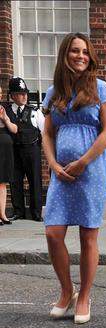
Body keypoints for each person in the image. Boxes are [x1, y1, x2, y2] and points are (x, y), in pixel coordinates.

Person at [41, 33, 106, 324]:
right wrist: (52, 163)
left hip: (91, 170)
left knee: (88, 235)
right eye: (74, 50)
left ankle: (84, 296)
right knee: (53, 233)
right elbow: (47, 132)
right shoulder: (54, 92)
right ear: (65, 55)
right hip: (61, 171)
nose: (80, 55)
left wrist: (83, 162)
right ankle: (66, 290)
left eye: (85, 51)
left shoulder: (101, 88)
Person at [4, 77, 45, 221]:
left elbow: (45, 132)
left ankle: (36, 212)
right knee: (15, 181)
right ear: (13, 95)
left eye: (25, 93)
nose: (24, 96)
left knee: (35, 181)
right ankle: (18, 211)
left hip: (31, 150)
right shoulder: (6, 111)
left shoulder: (34, 111)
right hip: (14, 151)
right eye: (21, 93)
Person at [0, 86, 18, 225]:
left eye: (0, 93)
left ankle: (3, 214)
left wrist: (5, 119)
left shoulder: (5, 109)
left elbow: (15, 129)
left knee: (3, 182)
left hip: (5, 149)